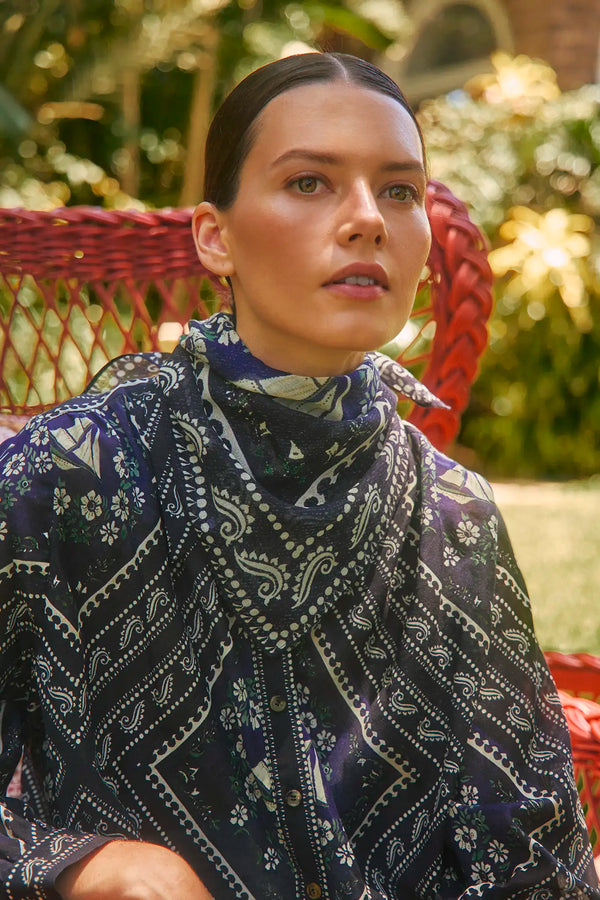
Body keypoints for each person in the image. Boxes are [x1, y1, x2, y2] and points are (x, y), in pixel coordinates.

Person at [0, 51, 597, 900]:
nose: (367, 220)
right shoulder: (65, 477)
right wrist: (92, 866)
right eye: (310, 182)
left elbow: (535, 854)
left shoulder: (450, 515)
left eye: (399, 190)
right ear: (215, 236)